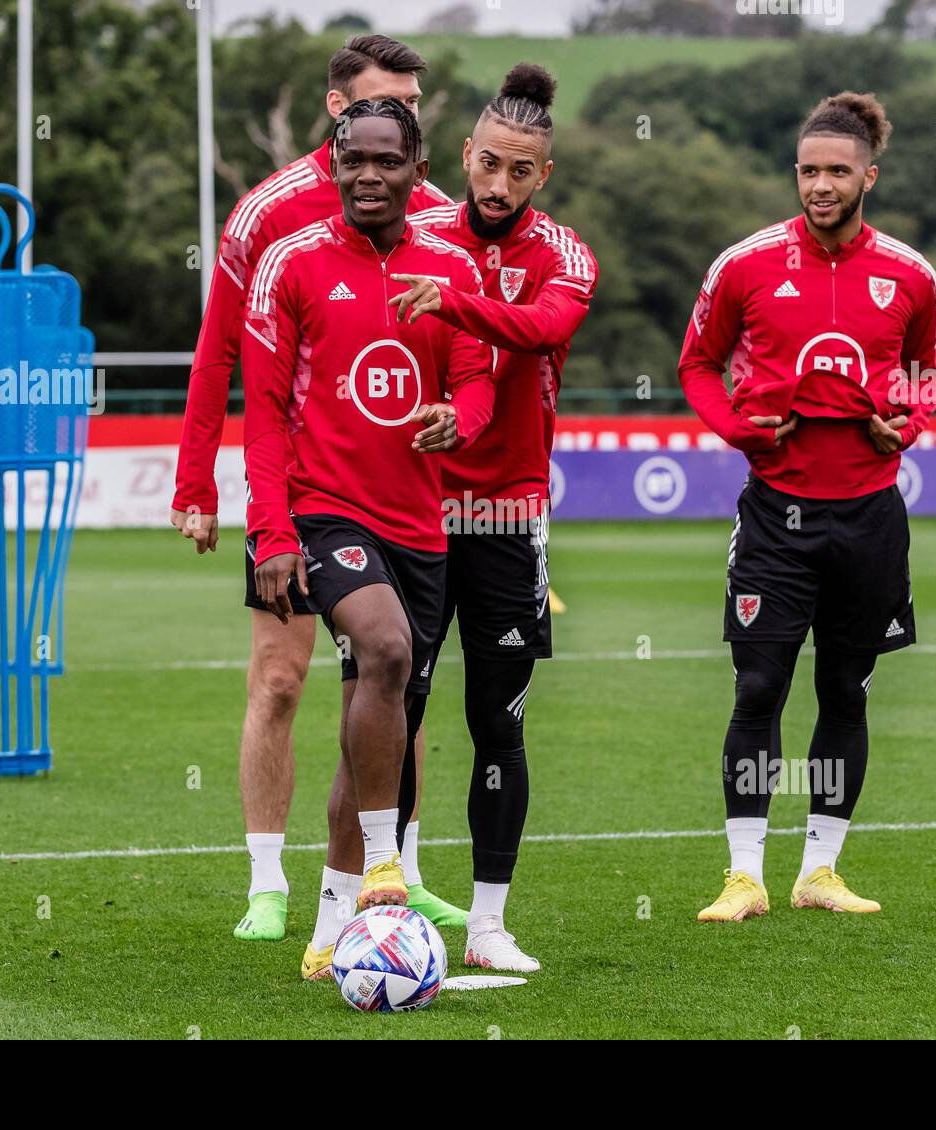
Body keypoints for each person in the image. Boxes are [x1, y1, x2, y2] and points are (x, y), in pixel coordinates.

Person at [169, 36, 464, 944]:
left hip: (407, 501)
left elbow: (479, 335)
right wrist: (196, 479)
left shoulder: (437, 218)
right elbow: (223, 349)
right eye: (389, 100)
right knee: (283, 680)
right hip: (301, 496)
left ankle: (396, 874)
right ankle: (267, 882)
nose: (410, 114)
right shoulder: (269, 218)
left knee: (393, 672)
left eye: (412, 109)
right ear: (340, 115)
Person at [240, 97, 496, 979]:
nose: (369, 176)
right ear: (336, 162)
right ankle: (388, 866)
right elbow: (265, 417)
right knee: (382, 648)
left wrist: (456, 420)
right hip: (322, 512)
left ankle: (330, 923)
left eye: (388, 160)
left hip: (420, 523)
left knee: (377, 718)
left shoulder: (453, 264)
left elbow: (477, 380)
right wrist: (271, 530)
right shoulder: (291, 263)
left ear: (416, 166)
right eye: (355, 160)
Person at [677, 91, 936, 922]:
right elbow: (696, 364)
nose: (820, 185)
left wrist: (907, 422)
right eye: (807, 170)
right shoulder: (746, 265)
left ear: (870, 173)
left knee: (846, 691)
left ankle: (819, 871)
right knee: (758, 686)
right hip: (776, 517)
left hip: (868, 517)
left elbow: (927, 371)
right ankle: (744, 875)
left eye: (836, 171)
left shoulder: (910, 274)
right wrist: (741, 432)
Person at [383, 64, 598, 972]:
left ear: (541, 176)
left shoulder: (566, 255)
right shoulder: (414, 234)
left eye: (520, 171)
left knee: (495, 721)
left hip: (506, 515)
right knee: (398, 703)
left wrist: (459, 297)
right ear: (466, 155)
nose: (499, 184)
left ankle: (486, 926)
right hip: (417, 507)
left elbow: (543, 329)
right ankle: (389, 901)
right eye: (489, 164)